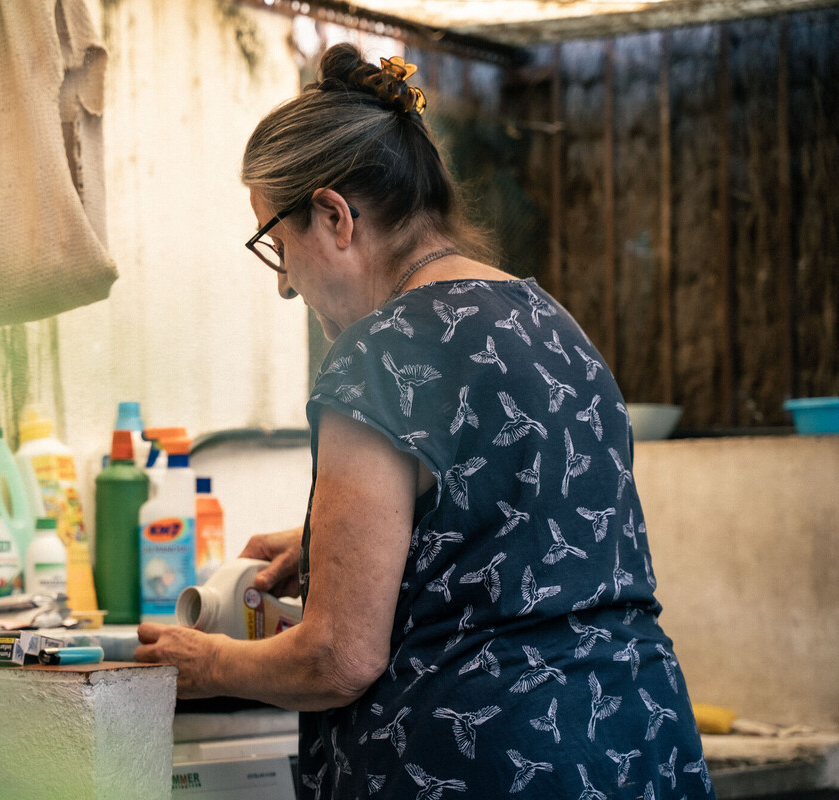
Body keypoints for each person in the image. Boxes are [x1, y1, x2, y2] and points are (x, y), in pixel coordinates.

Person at [135, 43, 714, 799]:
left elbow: (337, 657)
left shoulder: (379, 353)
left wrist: (203, 663)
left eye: (280, 248)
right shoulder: (553, 323)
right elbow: (517, 540)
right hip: (641, 747)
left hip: (487, 765)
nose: (285, 286)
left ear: (334, 216)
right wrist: (329, 544)